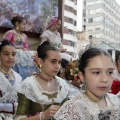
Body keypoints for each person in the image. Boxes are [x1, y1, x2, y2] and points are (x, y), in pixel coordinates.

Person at [54, 47, 120, 120]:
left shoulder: (116, 101)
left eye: (109, 72)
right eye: (96, 72)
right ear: (82, 76)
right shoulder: (73, 109)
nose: (105, 79)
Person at [14, 42, 70, 120]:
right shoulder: (28, 85)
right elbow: (18, 118)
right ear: (40, 61)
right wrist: (42, 116)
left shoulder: (62, 84)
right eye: (53, 61)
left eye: (59, 62)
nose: (58, 66)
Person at [0, 40, 22, 120]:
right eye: (6, 54)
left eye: (13, 54)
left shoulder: (18, 77)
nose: (10, 57)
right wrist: (13, 107)